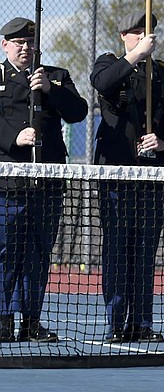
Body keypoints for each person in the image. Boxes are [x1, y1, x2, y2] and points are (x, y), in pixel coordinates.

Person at [91, 11, 164, 343]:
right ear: (124, 35)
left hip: (153, 175)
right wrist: (135, 56)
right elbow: (103, 85)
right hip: (118, 174)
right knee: (118, 248)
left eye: (147, 32)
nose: (143, 36)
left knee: (145, 249)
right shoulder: (109, 64)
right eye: (136, 32)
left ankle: (141, 321)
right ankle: (117, 322)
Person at [0, 17, 89, 343]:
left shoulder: (56, 76)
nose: (25, 48)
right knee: (6, 252)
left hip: (47, 182)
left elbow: (78, 111)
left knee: (39, 253)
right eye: (18, 42)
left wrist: (50, 90)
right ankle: (2, 319)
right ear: (5, 44)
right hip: (9, 184)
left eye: (30, 42)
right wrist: (13, 137)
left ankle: (32, 320)